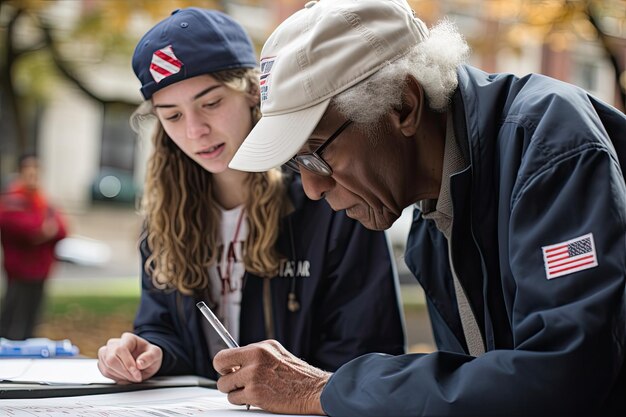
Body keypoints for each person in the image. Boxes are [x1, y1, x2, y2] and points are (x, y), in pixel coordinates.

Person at [214, 0, 626, 415]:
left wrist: (326, 390)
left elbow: (563, 375)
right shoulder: (431, 216)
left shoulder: (551, 148)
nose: (312, 188)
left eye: (317, 155)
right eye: (295, 164)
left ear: (403, 106)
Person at [96, 8, 405, 384]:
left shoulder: (331, 200)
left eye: (211, 103)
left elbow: (369, 351)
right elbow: (162, 326)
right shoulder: (165, 215)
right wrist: (151, 352)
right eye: (172, 116)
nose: (196, 131)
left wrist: (295, 391)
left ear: (251, 93)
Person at [0, 154, 68, 340]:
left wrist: (44, 232)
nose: (33, 175)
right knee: (11, 319)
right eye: (29, 170)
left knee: (32, 321)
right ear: (21, 172)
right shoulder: (12, 199)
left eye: (36, 170)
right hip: (19, 271)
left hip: (40, 271)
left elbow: (62, 228)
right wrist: (42, 231)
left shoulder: (44, 200)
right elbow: (22, 227)